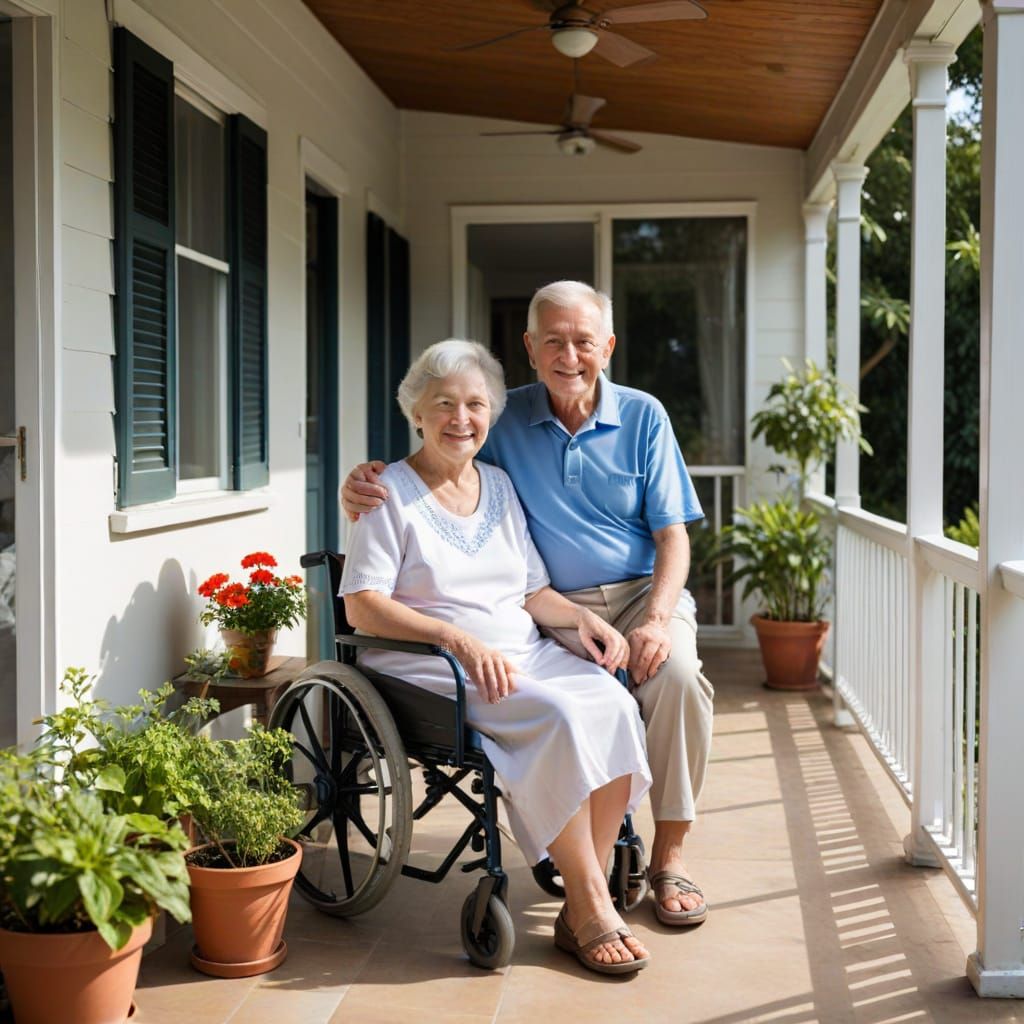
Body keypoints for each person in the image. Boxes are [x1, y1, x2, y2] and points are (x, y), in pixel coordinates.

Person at [343, 281, 714, 927]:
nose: (463, 418)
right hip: (456, 652)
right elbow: (364, 601)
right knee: (570, 714)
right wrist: (361, 482)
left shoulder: (516, 473)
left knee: (638, 696)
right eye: (553, 342)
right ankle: (593, 903)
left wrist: (611, 619)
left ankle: (639, 868)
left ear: (609, 347)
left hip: (603, 604)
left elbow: (651, 541)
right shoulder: (417, 477)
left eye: (474, 406)